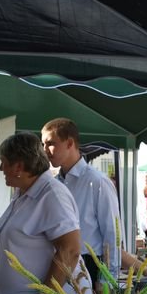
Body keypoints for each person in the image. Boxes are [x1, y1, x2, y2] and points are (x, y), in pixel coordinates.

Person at [0, 132, 91, 294]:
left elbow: (70, 250)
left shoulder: (52, 194)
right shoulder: (23, 193)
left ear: (19, 166)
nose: (1, 169)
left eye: (4, 163)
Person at [41, 118, 121, 281]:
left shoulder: (97, 181)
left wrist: (107, 280)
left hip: (90, 266)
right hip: (59, 264)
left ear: (70, 143)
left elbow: (112, 235)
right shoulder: (54, 184)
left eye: (51, 143)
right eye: (43, 144)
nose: (45, 150)